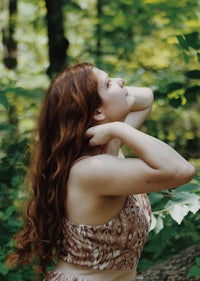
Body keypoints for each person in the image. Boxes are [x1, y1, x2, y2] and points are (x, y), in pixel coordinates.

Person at [7, 62, 195, 281]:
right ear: (97, 111)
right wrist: (119, 127)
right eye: (109, 83)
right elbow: (181, 170)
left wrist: (110, 111)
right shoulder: (92, 170)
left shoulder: (107, 151)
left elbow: (146, 98)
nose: (121, 81)